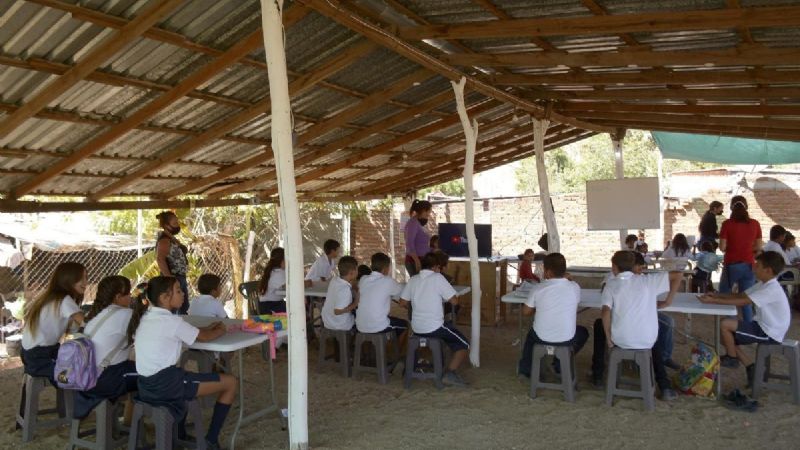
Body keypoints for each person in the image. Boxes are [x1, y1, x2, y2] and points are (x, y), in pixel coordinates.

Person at [129, 276, 235, 450]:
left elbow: (195, 333)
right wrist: (221, 328)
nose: (183, 294)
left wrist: (208, 329)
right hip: (167, 386)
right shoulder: (171, 321)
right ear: (164, 297)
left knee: (184, 374)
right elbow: (206, 337)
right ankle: (211, 439)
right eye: (178, 291)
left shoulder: (147, 318)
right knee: (230, 382)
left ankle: (180, 434)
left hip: (146, 387)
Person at [591, 251, 681, 400]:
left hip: (620, 339)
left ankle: (597, 375)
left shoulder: (612, 284)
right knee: (652, 333)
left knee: (601, 325)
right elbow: (677, 275)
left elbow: (605, 312)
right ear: (632, 266)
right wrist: (668, 301)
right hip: (648, 340)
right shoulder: (648, 281)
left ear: (614, 266)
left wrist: (608, 338)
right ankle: (664, 385)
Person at [698, 251, 790, 387]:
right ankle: (750, 366)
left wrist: (714, 301)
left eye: (757, 266)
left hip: (770, 332)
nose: (754, 268)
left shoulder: (771, 289)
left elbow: (744, 301)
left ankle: (732, 358)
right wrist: (717, 295)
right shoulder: (764, 284)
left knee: (725, 324)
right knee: (727, 336)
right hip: (763, 326)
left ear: (768, 270)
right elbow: (740, 295)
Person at [400, 252, 469, 387]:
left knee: (444, 332)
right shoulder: (438, 278)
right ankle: (450, 373)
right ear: (436, 267)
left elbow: (402, 302)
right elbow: (455, 301)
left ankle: (410, 367)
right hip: (434, 327)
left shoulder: (413, 279)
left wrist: (419, 303)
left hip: (416, 327)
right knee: (464, 345)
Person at [75, 276, 138, 419]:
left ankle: (128, 419)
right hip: (105, 378)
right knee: (153, 376)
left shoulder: (95, 314)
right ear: (118, 297)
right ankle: (132, 422)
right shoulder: (125, 314)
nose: (130, 297)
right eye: (128, 293)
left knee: (136, 371)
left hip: (85, 375)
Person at [517, 253, 588, 378]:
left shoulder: (538, 289)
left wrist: (539, 307)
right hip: (567, 338)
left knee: (531, 335)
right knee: (583, 332)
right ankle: (560, 362)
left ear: (548, 272)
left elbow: (526, 312)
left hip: (542, 337)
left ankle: (527, 369)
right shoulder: (574, 287)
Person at [21, 261, 86, 383]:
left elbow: (73, 330)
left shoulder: (51, 297)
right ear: (68, 279)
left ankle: (67, 395)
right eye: (80, 278)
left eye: (86, 278)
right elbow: (87, 324)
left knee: (77, 363)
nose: (85, 282)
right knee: (80, 373)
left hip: (31, 354)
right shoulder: (63, 299)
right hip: (39, 356)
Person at [719, 195, 763, 322]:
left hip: (731, 264)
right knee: (746, 298)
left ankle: (729, 324)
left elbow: (722, 247)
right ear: (747, 207)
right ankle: (748, 328)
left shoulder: (727, 224)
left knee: (725, 295)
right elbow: (759, 246)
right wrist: (748, 250)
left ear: (731, 208)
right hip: (749, 265)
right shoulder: (755, 224)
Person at [356, 252, 407, 336]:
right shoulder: (388, 281)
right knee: (405, 325)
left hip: (360, 325)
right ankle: (395, 349)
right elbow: (403, 292)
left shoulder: (363, 279)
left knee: (390, 319)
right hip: (378, 326)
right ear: (385, 268)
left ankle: (383, 346)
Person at [155, 211, 190, 314]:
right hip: (174, 277)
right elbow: (160, 259)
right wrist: (170, 279)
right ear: (166, 225)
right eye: (174, 223)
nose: (177, 225)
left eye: (177, 222)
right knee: (176, 309)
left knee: (183, 307)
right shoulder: (164, 240)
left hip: (179, 277)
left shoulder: (170, 239)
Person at [321, 256, 359, 331]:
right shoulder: (345, 290)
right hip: (339, 325)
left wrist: (353, 285)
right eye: (357, 269)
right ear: (352, 272)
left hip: (327, 321)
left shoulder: (334, 280)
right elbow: (337, 311)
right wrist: (355, 303)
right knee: (360, 316)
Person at [404, 199, 433, 277]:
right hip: (414, 261)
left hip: (421, 259)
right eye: (428, 211)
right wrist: (416, 261)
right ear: (423, 210)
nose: (429, 214)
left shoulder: (418, 223)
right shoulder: (412, 223)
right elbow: (409, 243)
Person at [258, 247, 286, 315]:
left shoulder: (275, 271)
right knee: (294, 313)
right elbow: (291, 286)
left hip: (274, 304)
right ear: (282, 261)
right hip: (270, 307)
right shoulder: (277, 273)